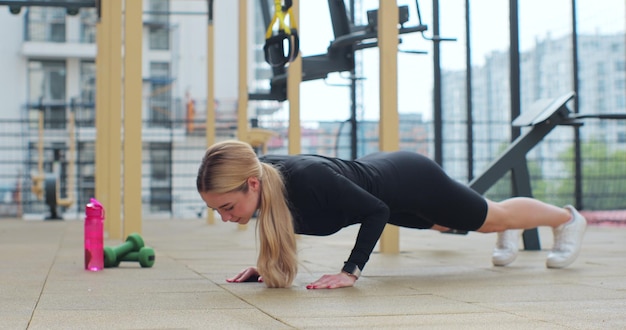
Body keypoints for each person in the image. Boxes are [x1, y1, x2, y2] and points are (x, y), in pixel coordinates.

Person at [196, 140, 587, 289]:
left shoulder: (306, 179)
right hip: (384, 187)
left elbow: (377, 209)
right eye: (217, 211)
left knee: (493, 216)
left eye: (227, 208)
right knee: (460, 225)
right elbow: (284, 223)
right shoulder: (267, 187)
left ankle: (567, 219)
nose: (227, 218)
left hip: (411, 180)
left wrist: (351, 271)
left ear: (251, 184)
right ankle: (507, 231)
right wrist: (262, 266)